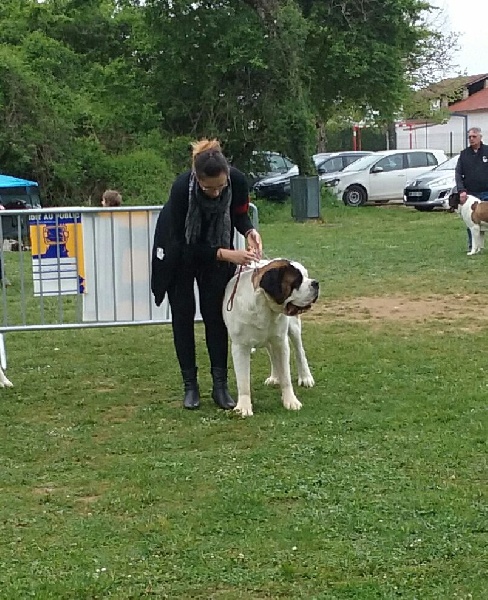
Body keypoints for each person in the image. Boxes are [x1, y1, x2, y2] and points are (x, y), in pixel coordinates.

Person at [151, 139, 262, 410]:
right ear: (197, 178)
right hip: (179, 251)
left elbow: (239, 214)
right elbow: (183, 245)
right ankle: (190, 385)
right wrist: (226, 254)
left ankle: (220, 386)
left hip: (218, 245)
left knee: (216, 316)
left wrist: (249, 231)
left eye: (220, 187)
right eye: (208, 188)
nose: (215, 193)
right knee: (183, 314)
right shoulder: (181, 189)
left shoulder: (237, 181)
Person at [455, 127, 488, 250]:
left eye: (474, 136)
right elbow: (458, 173)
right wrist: (461, 190)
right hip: (471, 194)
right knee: (471, 221)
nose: (471, 139)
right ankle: (473, 247)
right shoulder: (464, 154)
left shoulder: (487, 151)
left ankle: (481, 246)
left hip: (486, 191)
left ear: (480, 137)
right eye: (469, 137)